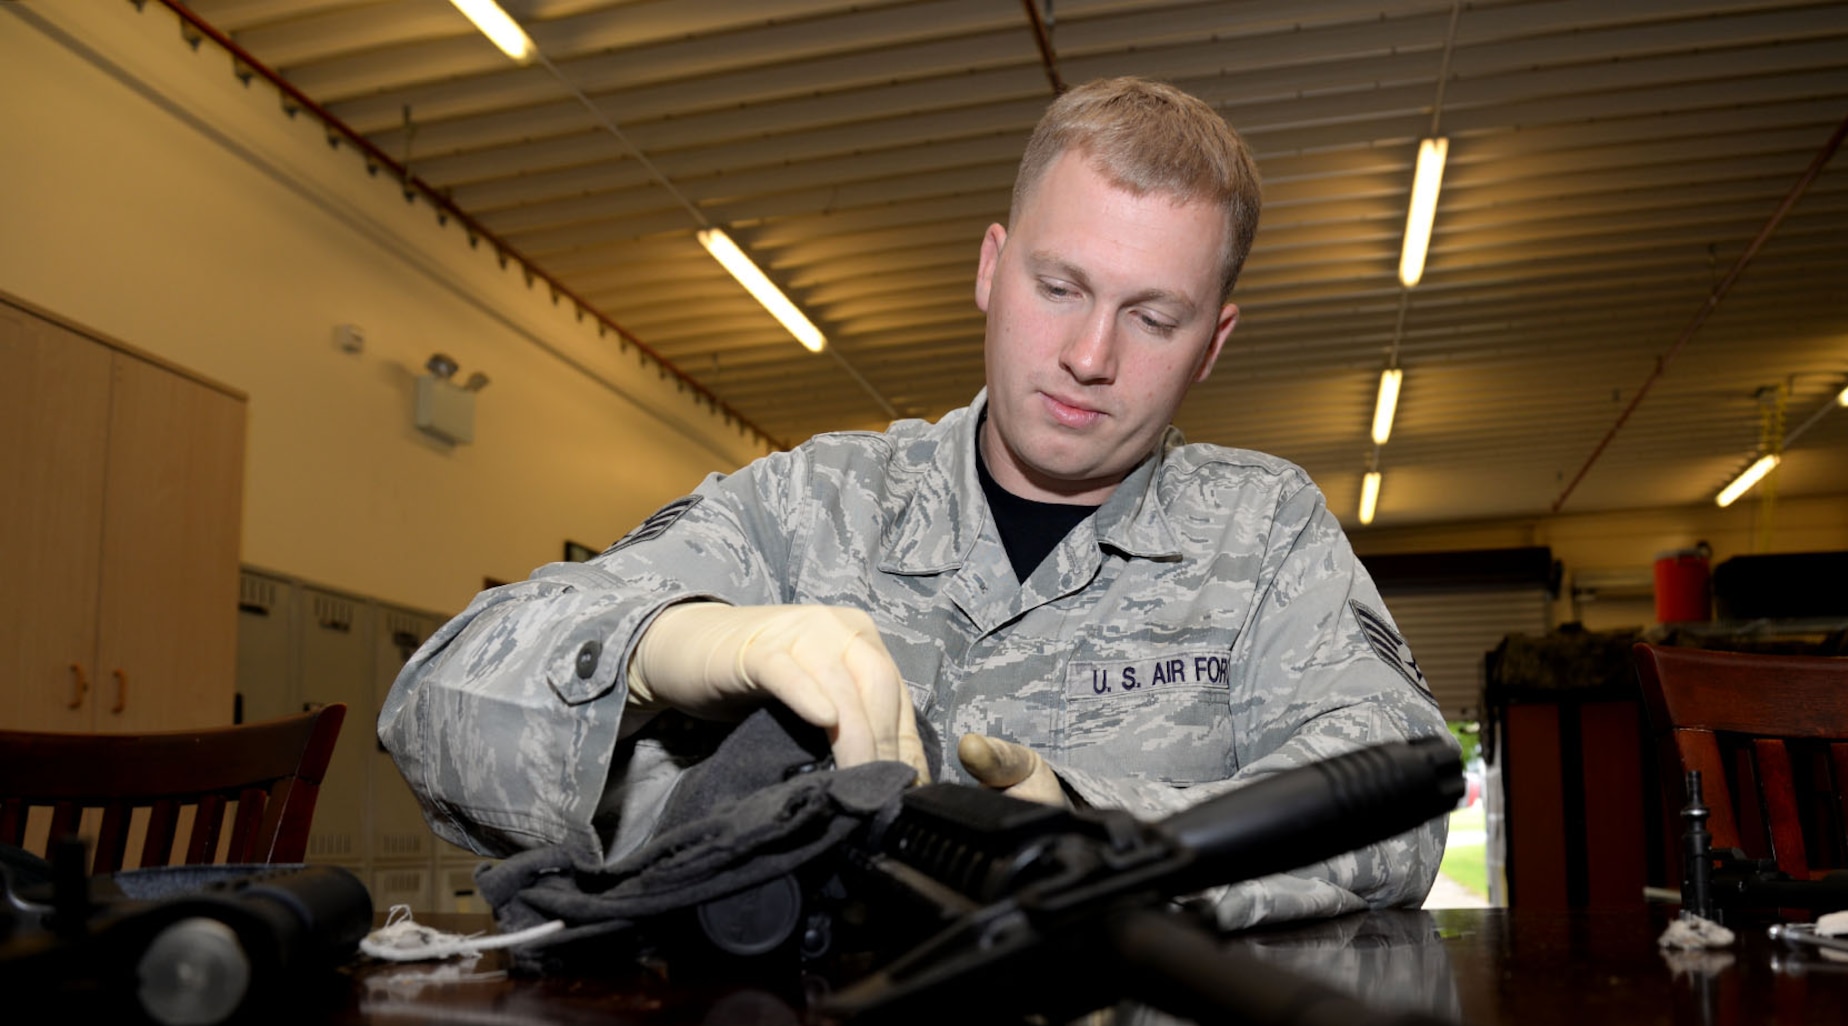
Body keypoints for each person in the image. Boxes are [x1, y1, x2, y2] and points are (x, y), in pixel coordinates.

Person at [380, 77, 1448, 928]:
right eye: (1058, 286)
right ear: (991, 268)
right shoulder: (813, 503)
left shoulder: (1260, 532)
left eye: (1153, 318)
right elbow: (431, 711)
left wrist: (1089, 831)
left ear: (1213, 341)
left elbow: (1394, 798)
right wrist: (674, 643)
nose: (1087, 356)